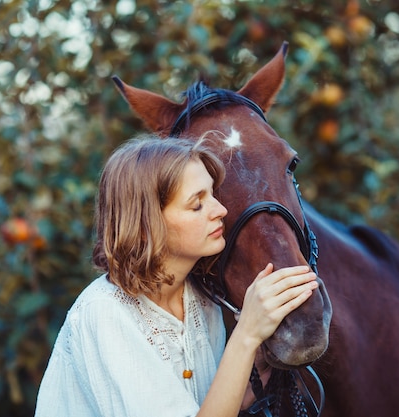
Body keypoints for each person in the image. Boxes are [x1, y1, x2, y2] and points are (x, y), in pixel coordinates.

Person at [34, 135, 319, 417]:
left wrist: (257, 359)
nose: (221, 211)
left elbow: (214, 405)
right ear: (147, 224)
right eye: (197, 204)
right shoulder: (106, 315)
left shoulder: (199, 297)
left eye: (213, 195)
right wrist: (246, 334)